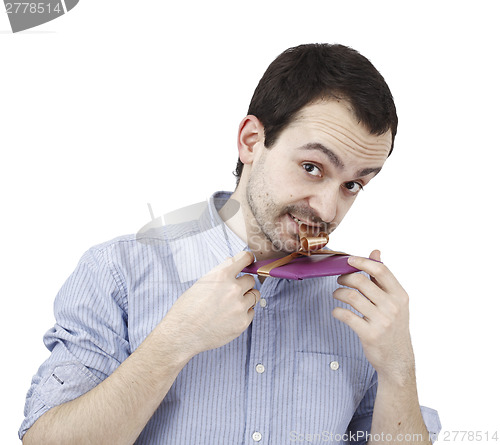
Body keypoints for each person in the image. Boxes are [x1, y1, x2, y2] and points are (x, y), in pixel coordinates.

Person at [20, 43, 441, 444]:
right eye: (312, 167)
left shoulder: (359, 305)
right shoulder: (119, 272)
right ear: (251, 142)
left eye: (353, 184)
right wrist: (174, 342)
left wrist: (398, 367)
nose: (329, 210)